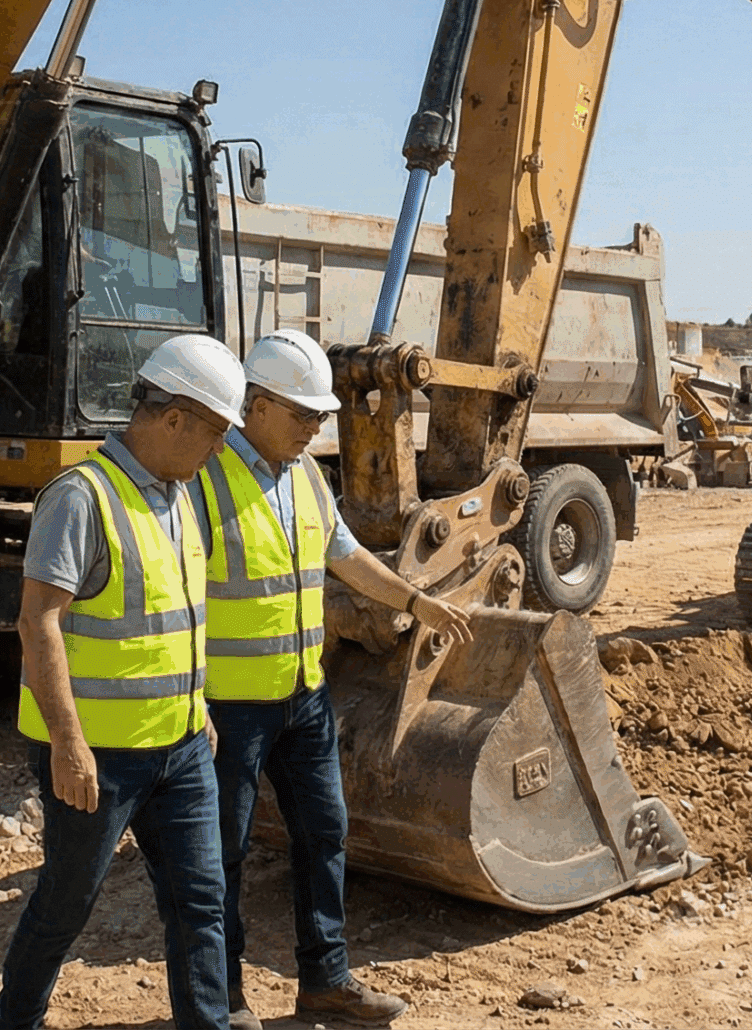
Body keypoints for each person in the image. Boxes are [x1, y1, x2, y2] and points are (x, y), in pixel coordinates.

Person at [200, 331, 475, 1029]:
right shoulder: (205, 479)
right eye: (303, 415)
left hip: (302, 696)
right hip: (229, 705)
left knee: (325, 832)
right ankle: (224, 997)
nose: (314, 429)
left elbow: (345, 556)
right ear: (256, 405)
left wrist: (415, 600)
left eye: (320, 417)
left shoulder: (303, 475)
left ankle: (325, 979)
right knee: (223, 852)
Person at [0, 334, 248, 1030]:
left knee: (201, 901)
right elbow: (38, 622)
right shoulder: (80, 497)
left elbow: (173, 615)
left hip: (182, 747)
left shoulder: (180, 496)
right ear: (174, 419)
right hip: (98, 758)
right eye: (215, 433)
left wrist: (196, 706)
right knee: (66, 903)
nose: (219, 450)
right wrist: (68, 745)